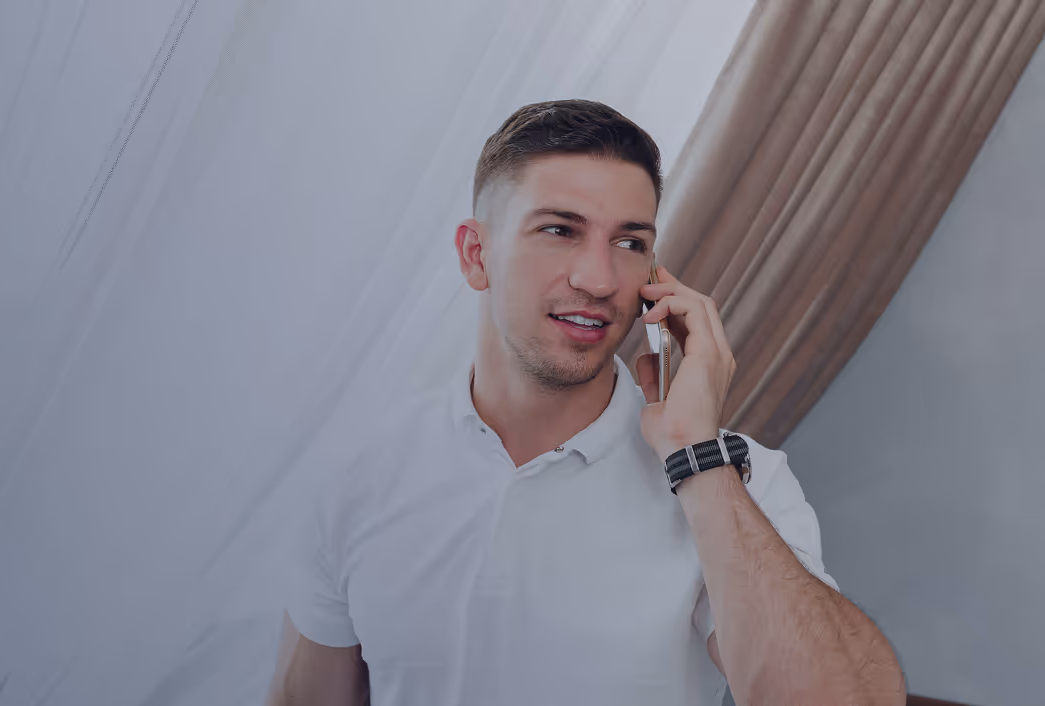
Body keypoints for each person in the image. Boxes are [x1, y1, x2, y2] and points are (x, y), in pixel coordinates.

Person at [264, 100, 904, 705]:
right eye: (559, 230)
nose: (599, 280)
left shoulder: (741, 483)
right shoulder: (357, 475)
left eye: (630, 243)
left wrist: (695, 457)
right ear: (475, 254)